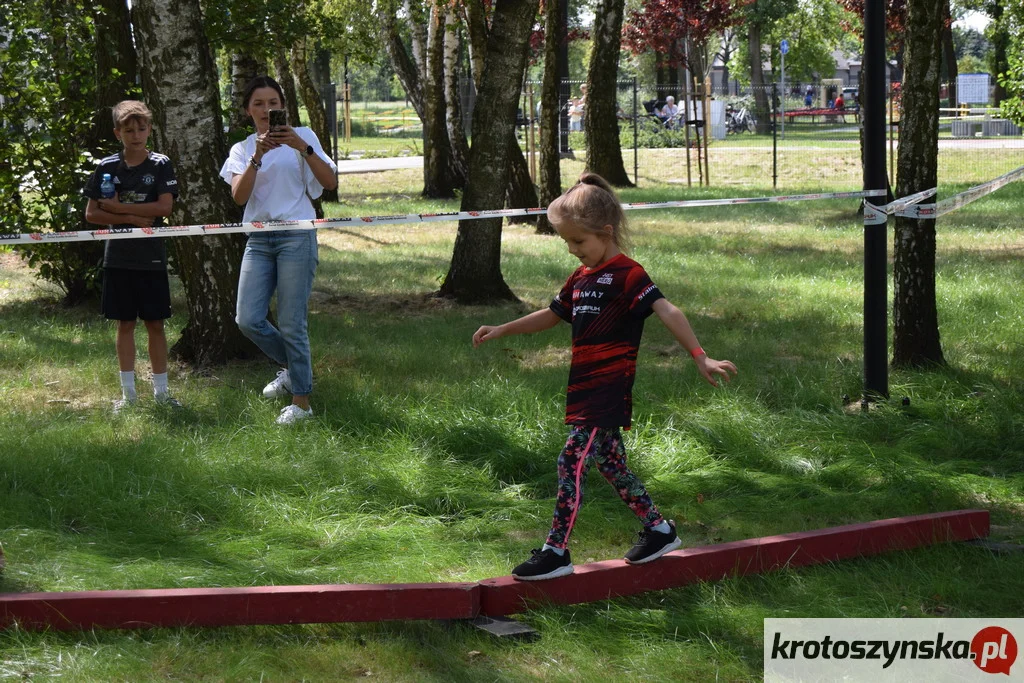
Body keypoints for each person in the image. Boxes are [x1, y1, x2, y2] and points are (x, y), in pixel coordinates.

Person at [472, 173, 738, 581]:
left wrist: (700, 356)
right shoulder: (581, 278)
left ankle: (556, 551)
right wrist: (503, 328)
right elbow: (552, 314)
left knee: (571, 461)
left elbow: (667, 310)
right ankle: (659, 530)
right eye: (567, 243)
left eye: (579, 241)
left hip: (608, 390)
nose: (573, 250)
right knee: (611, 464)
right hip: (583, 388)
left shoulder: (629, 275)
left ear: (606, 232)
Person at [219, 76, 338, 425]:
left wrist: (303, 147)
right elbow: (239, 197)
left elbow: (329, 184)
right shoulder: (242, 149)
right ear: (247, 111)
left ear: (283, 105)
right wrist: (257, 156)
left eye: (273, 102)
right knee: (248, 319)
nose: (266, 109)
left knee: (291, 321)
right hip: (259, 238)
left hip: (297, 235)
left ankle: (302, 403)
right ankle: (294, 368)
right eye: (258, 103)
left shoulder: (304, 136)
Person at [84, 100, 181, 414]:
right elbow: (93, 213)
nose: (136, 134)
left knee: (156, 324)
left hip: (151, 257)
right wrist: (134, 220)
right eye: (129, 129)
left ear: (150, 129)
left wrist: (118, 208)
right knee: (125, 324)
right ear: (117, 133)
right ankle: (128, 397)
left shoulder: (160, 164)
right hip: (119, 258)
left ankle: (162, 394)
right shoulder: (107, 167)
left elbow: (163, 208)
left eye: (142, 128)